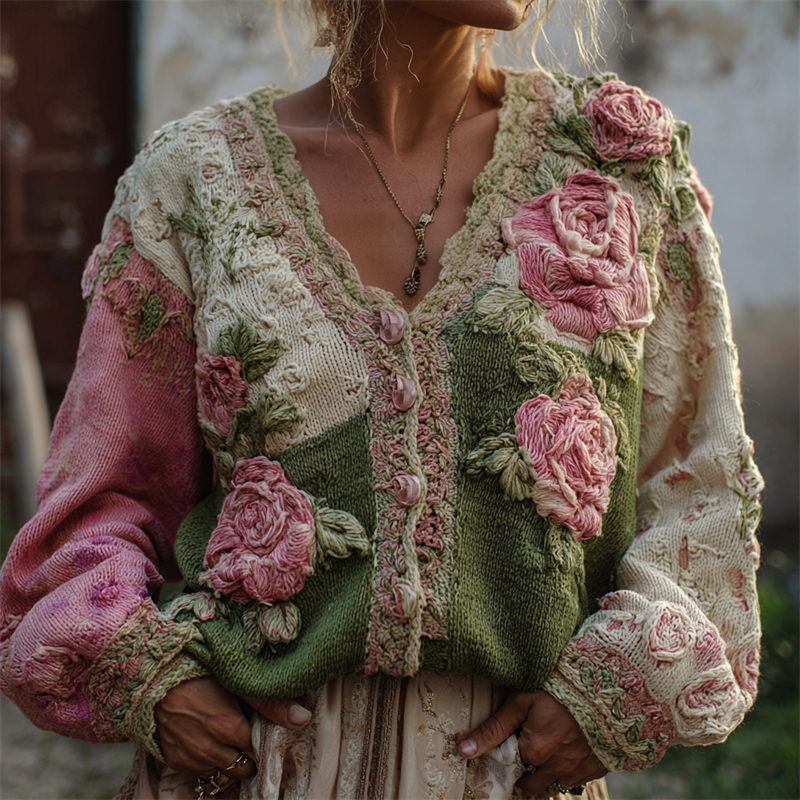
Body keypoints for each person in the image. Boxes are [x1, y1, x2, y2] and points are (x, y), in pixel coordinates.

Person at [0, 1, 763, 799]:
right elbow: (96, 500)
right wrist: (158, 682)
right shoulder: (192, 182)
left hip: (508, 780)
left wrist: (612, 689)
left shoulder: (619, 163)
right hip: (250, 773)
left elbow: (699, 475)